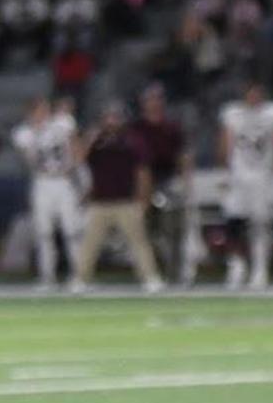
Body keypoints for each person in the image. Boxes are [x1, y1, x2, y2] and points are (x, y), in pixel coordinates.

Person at [72, 105, 164, 293]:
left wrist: (144, 198)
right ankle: (80, 279)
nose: (111, 121)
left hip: (126, 201)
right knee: (89, 243)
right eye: (108, 117)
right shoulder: (96, 141)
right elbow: (78, 159)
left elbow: (143, 171)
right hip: (100, 201)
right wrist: (90, 137)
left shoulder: (132, 140)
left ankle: (151, 278)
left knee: (138, 242)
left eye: (115, 117)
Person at [218, 79, 273, 289]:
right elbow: (224, 145)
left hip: (263, 176)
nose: (254, 98)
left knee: (261, 225)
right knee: (233, 222)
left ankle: (260, 269)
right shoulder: (233, 115)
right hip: (238, 176)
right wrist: (223, 173)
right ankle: (237, 264)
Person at [11, 96, 83, 290]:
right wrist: (37, 130)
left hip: (64, 181)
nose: (42, 114)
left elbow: (75, 145)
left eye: (44, 109)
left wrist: (75, 168)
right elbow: (30, 159)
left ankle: (78, 276)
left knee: (72, 230)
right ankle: (47, 277)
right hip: (42, 182)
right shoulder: (24, 132)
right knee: (44, 232)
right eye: (37, 110)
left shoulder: (63, 122)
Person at [130, 87, 194, 286]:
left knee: (174, 231)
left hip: (168, 181)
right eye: (150, 99)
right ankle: (152, 274)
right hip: (142, 182)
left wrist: (186, 183)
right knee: (146, 232)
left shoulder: (172, 127)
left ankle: (175, 274)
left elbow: (183, 156)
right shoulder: (136, 128)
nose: (154, 103)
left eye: (157, 99)